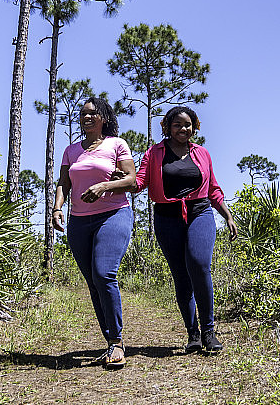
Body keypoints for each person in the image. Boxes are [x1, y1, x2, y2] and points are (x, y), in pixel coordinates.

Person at [130, 106, 237, 353]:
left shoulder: (202, 153)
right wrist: (117, 179)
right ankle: (193, 334)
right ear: (167, 127)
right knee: (180, 274)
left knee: (199, 264)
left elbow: (213, 190)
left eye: (187, 124)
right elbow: (139, 182)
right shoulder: (154, 153)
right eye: (177, 125)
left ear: (194, 127)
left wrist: (228, 217)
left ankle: (209, 332)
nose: (183, 129)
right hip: (167, 216)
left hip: (199, 212)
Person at [52, 97, 136, 369]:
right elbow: (64, 183)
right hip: (79, 221)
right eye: (83, 114)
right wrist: (57, 208)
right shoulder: (71, 150)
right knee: (93, 282)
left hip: (114, 214)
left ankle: (117, 342)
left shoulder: (116, 144)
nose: (86, 117)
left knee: (104, 273)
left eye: (92, 113)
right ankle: (111, 340)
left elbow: (131, 180)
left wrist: (103, 187)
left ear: (103, 117)